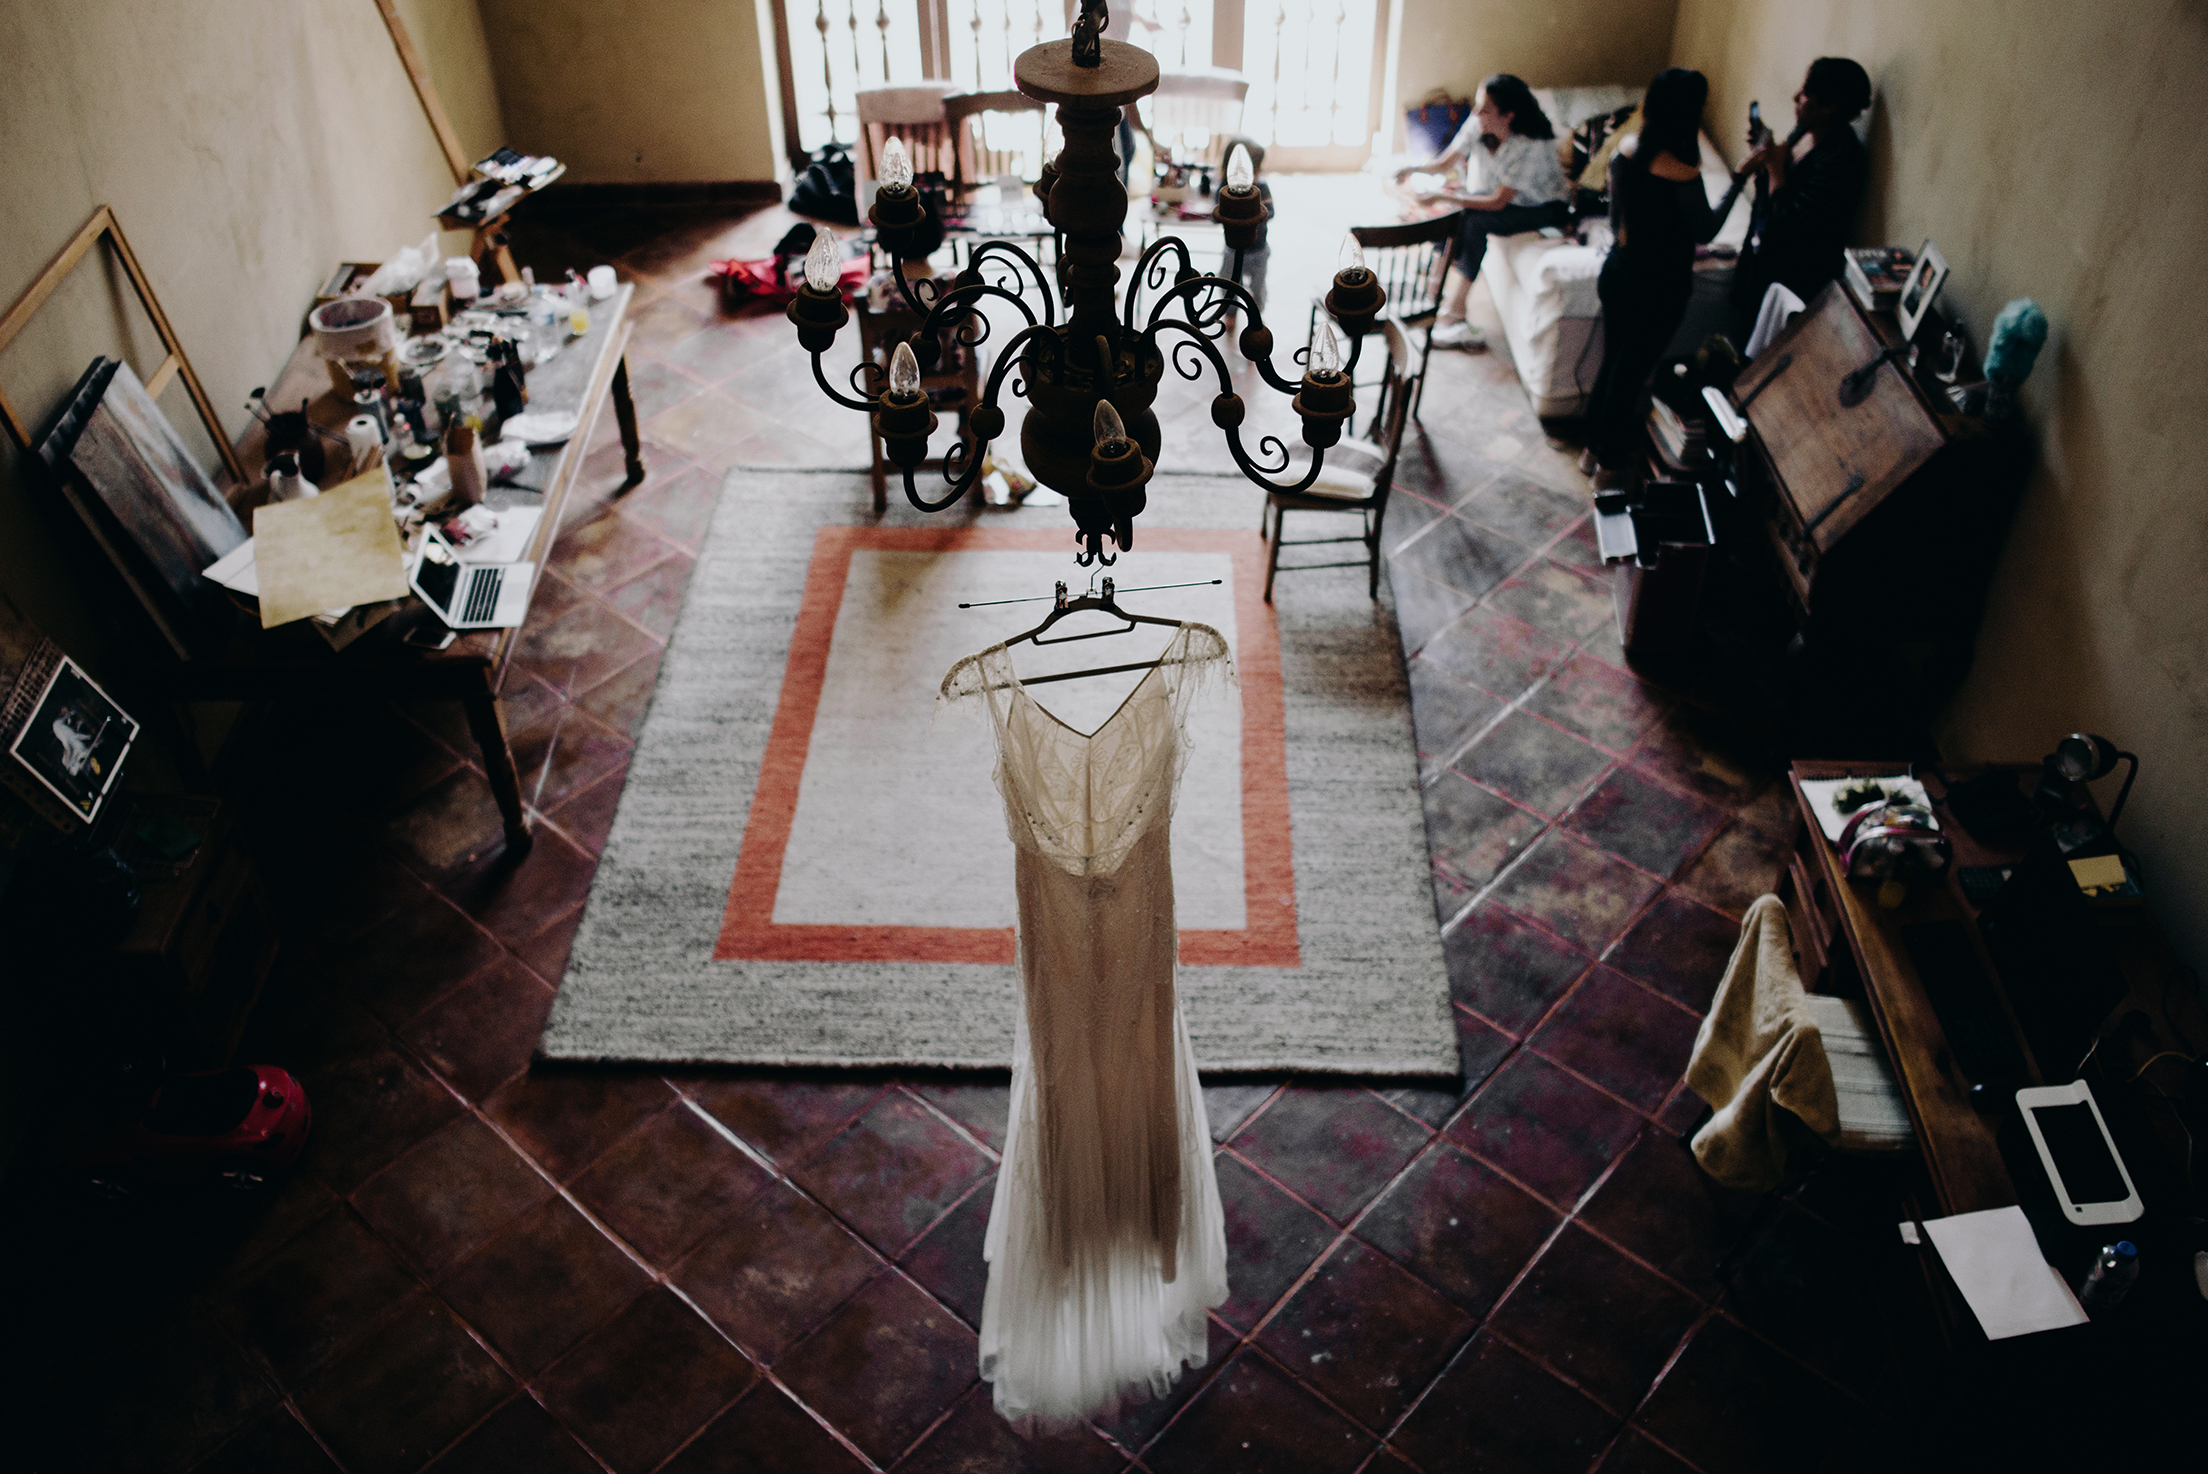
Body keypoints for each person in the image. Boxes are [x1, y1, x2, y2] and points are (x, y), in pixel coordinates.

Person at [1584, 67, 1728, 484]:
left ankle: (1592, 451)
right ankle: (1609, 467)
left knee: (1612, 363)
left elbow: (1615, 221)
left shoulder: (1626, 151)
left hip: (1618, 272)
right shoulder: (1683, 174)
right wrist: (1736, 183)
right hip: (1659, 287)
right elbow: (1706, 230)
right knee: (1629, 376)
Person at [1392, 74, 1570, 350]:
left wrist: (1443, 195)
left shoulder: (1532, 144)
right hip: (1509, 200)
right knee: (1457, 213)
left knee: (1475, 221)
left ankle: (1454, 314)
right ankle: (1431, 297)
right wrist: (1412, 169)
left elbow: (1498, 202)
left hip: (1543, 208)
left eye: (1484, 108)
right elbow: (1445, 162)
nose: (1475, 113)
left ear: (1508, 115)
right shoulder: (1480, 124)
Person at [1730, 56, 1872, 332]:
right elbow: (1771, 197)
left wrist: (1774, 169)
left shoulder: (1841, 160)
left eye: (1806, 94)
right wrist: (1765, 160)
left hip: (1790, 282)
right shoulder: (1803, 132)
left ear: (1829, 107)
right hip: (1760, 261)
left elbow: (1790, 224)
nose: (1796, 97)